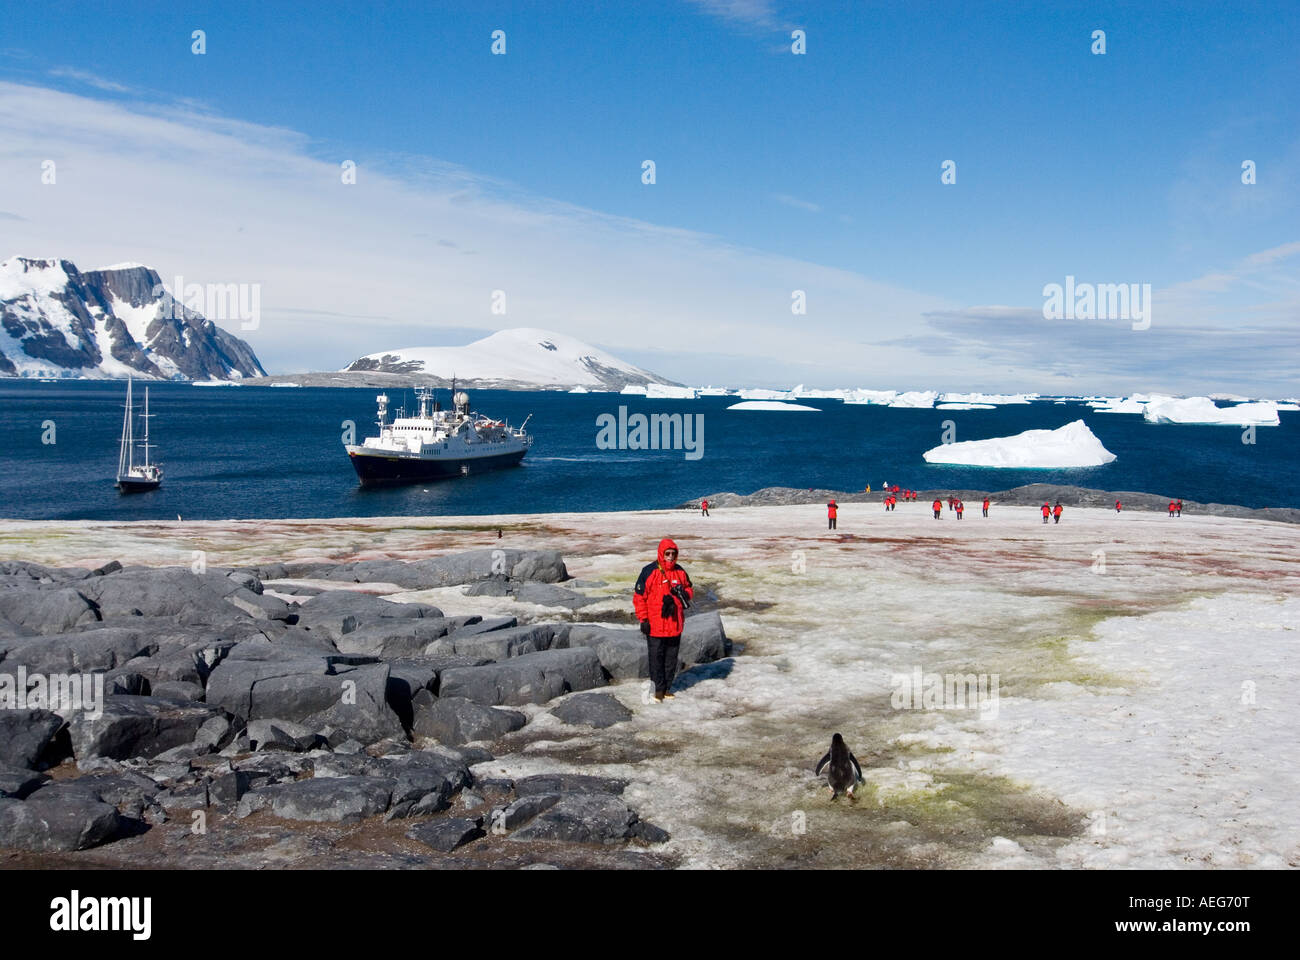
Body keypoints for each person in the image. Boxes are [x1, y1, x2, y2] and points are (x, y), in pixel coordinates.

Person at [633, 538, 694, 703]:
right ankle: (657, 690)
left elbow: (689, 589)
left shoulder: (680, 571)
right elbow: (639, 597)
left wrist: (682, 595)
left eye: (673, 554)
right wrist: (643, 619)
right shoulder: (649, 571)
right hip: (655, 625)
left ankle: (667, 688)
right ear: (661, 553)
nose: (670, 557)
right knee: (656, 658)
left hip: (674, 625)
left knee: (671, 659)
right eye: (667, 553)